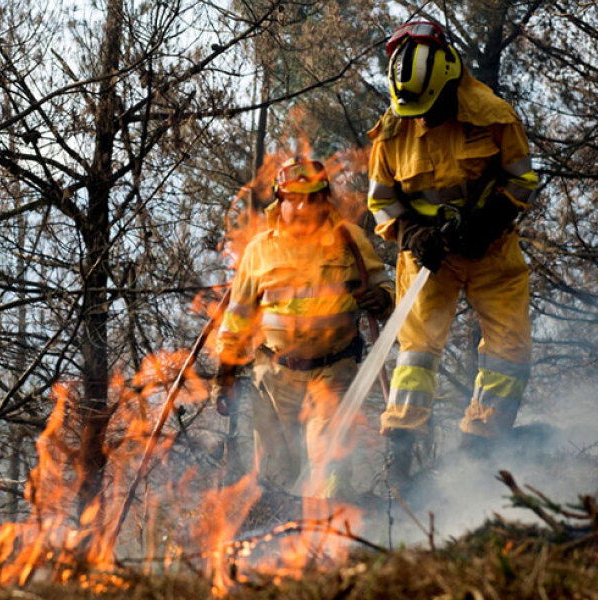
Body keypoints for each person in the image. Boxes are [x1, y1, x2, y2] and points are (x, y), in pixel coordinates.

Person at [365, 21, 539, 485]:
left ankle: (481, 448)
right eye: (412, 110)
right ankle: (400, 456)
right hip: (427, 258)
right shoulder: (391, 130)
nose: (421, 118)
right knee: (415, 354)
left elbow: (523, 180)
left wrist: (486, 224)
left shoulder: (493, 116)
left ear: (449, 82)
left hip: (491, 251)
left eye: (430, 107)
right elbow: (381, 200)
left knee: (509, 348)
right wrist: (410, 233)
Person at [211, 156, 395, 499]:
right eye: (294, 197)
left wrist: (381, 299)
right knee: (275, 478)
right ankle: (282, 544)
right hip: (274, 378)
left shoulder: (350, 240)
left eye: (312, 197)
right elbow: (236, 318)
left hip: (332, 372)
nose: (303, 206)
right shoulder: (259, 250)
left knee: (329, 470)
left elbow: (385, 288)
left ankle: (331, 537)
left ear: (325, 198)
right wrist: (225, 377)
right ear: (279, 199)